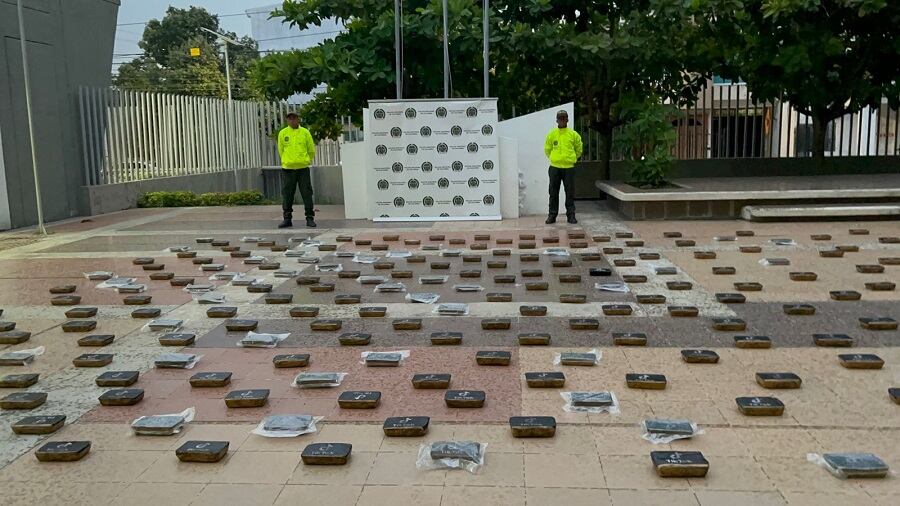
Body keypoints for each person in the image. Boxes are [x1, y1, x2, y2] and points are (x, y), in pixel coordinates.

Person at [277, 112, 317, 228]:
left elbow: (311, 150)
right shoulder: (283, 133)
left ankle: (310, 218)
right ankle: (287, 218)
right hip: (288, 169)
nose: (292, 121)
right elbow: (281, 150)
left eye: (294, 118)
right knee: (287, 194)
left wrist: (305, 160)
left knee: (307, 193)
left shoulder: (305, 132)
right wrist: (287, 161)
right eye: (290, 119)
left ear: (298, 120)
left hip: (303, 168)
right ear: (287, 120)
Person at [543, 110, 583, 224]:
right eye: (560, 118)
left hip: (569, 168)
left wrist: (573, 157)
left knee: (569, 193)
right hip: (554, 167)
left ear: (567, 120)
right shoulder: (552, 134)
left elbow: (579, 148)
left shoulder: (573, 134)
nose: (562, 120)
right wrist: (554, 158)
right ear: (556, 120)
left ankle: (571, 216)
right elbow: (547, 149)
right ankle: (552, 215)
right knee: (553, 193)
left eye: (564, 118)